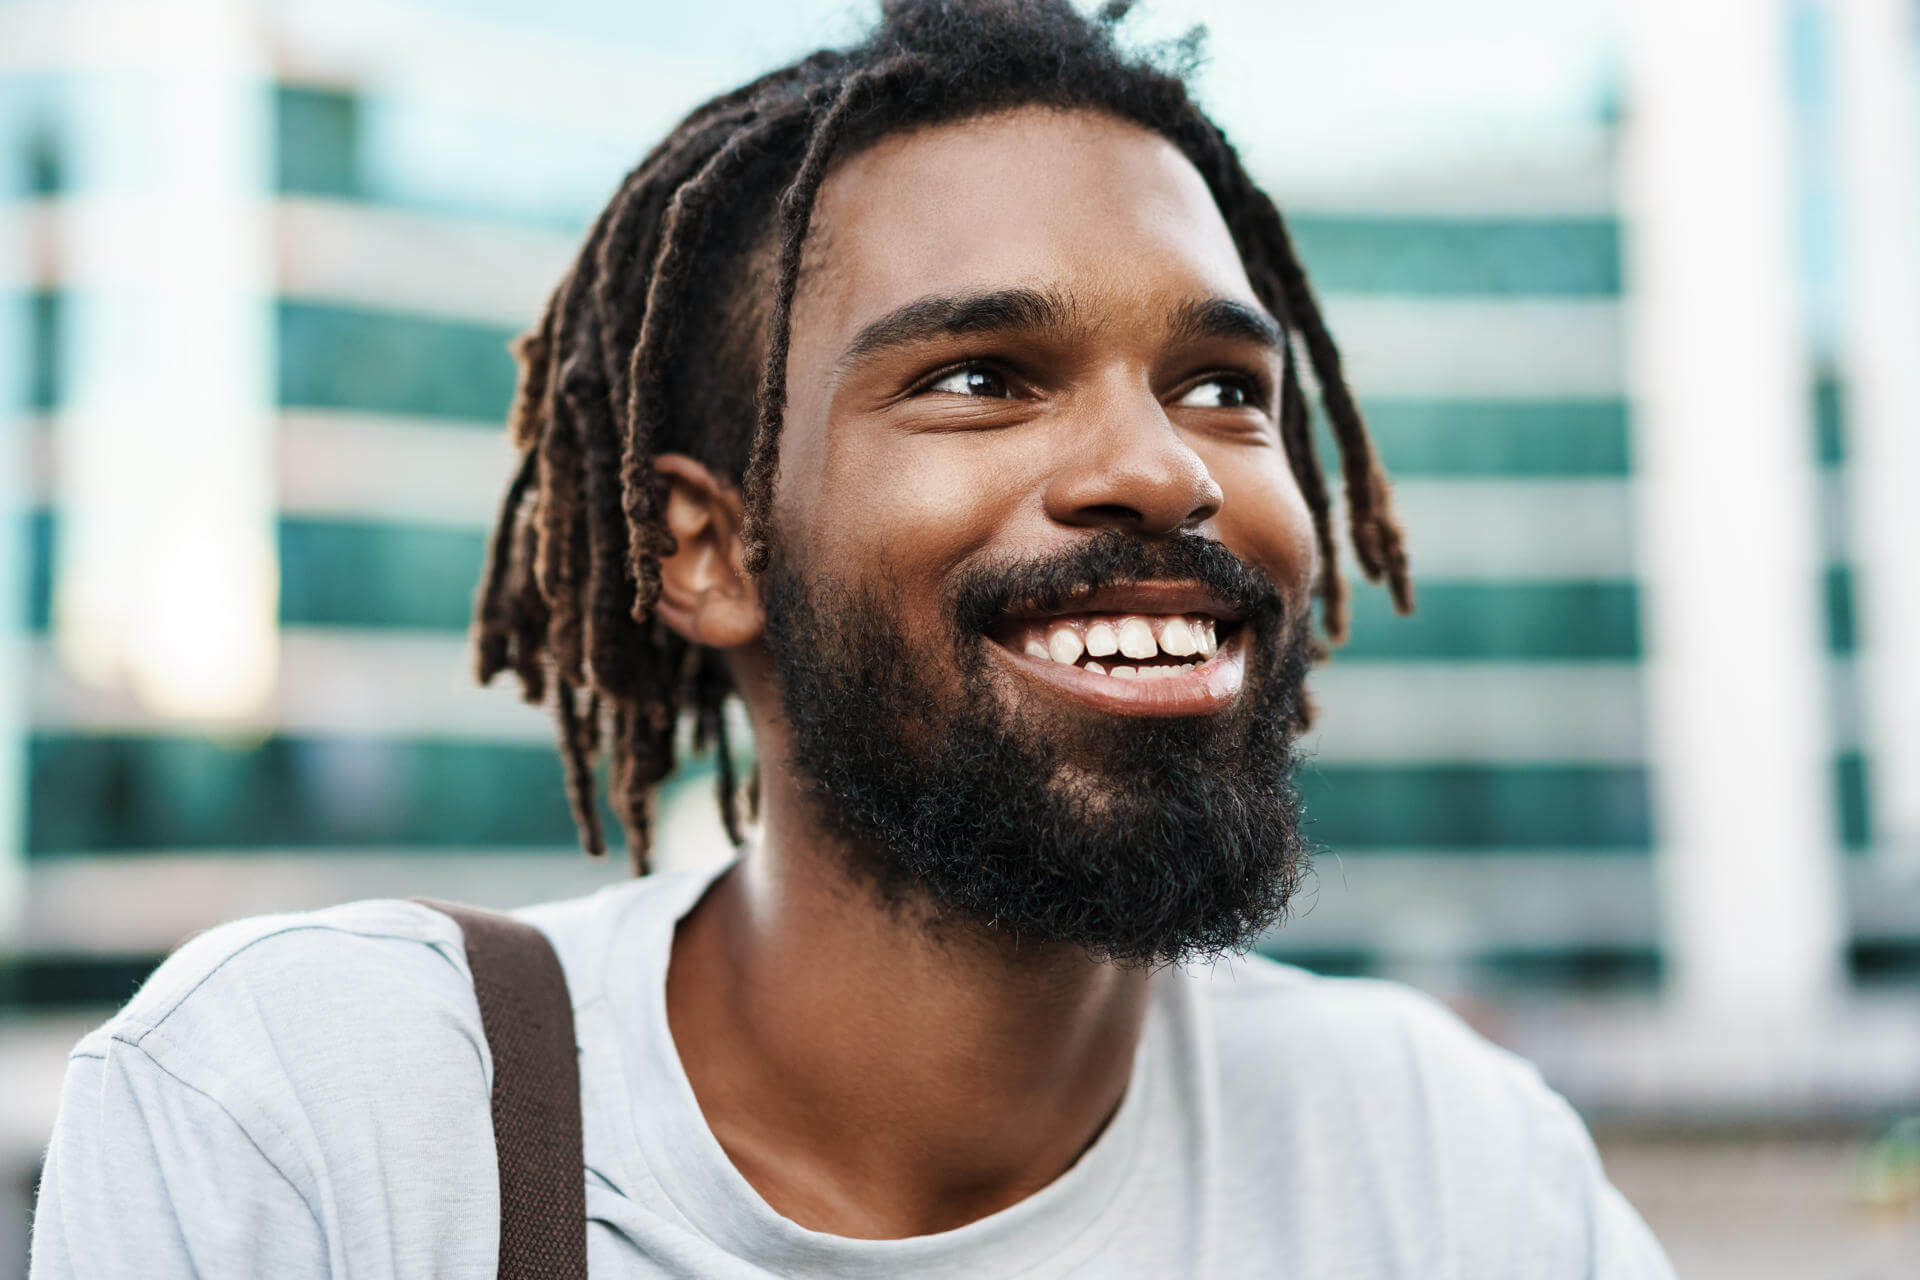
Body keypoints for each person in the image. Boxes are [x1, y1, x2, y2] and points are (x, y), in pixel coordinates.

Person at [30, 1, 1676, 1275]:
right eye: (980, 376)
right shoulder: (314, 1115)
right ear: (709, 550)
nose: (1163, 467)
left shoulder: (1455, 1172)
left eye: (1224, 388)